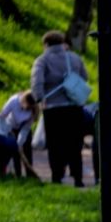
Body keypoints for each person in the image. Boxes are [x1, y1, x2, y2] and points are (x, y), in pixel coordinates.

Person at [30, 30, 89, 186]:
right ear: (62, 42)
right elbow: (84, 77)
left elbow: (37, 82)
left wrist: (39, 98)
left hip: (53, 108)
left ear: (46, 44)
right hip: (75, 107)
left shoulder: (42, 60)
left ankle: (57, 177)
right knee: (75, 144)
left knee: (55, 145)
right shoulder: (75, 58)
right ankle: (78, 179)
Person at [0, 91, 38, 177]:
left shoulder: (33, 110)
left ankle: (30, 175)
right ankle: (17, 175)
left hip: (23, 129)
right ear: (23, 101)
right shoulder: (14, 101)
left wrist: (20, 142)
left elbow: (26, 128)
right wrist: (7, 130)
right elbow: (1, 117)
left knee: (27, 151)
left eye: (30, 108)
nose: (27, 109)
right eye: (27, 106)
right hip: (10, 127)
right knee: (15, 153)